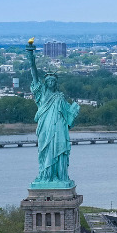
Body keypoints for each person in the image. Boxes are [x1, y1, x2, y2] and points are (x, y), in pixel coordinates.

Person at [28, 41, 80, 184]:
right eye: (48, 80)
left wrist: (74, 111)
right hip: (45, 126)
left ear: (55, 83)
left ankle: (59, 176)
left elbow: (69, 116)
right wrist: (31, 55)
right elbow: (34, 74)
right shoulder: (42, 93)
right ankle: (45, 176)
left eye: (53, 81)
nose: (50, 82)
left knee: (59, 149)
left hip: (59, 128)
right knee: (45, 151)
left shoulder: (60, 97)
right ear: (45, 83)